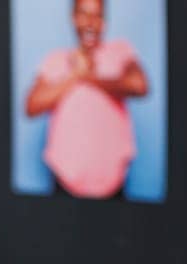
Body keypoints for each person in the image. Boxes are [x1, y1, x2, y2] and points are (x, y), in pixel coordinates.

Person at [24, 0, 149, 199]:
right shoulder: (56, 60)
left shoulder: (120, 52)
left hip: (114, 186)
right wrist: (74, 75)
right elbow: (31, 106)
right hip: (64, 182)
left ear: (104, 22)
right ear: (73, 18)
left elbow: (139, 86)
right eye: (84, 14)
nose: (90, 22)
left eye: (97, 15)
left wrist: (88, 76)